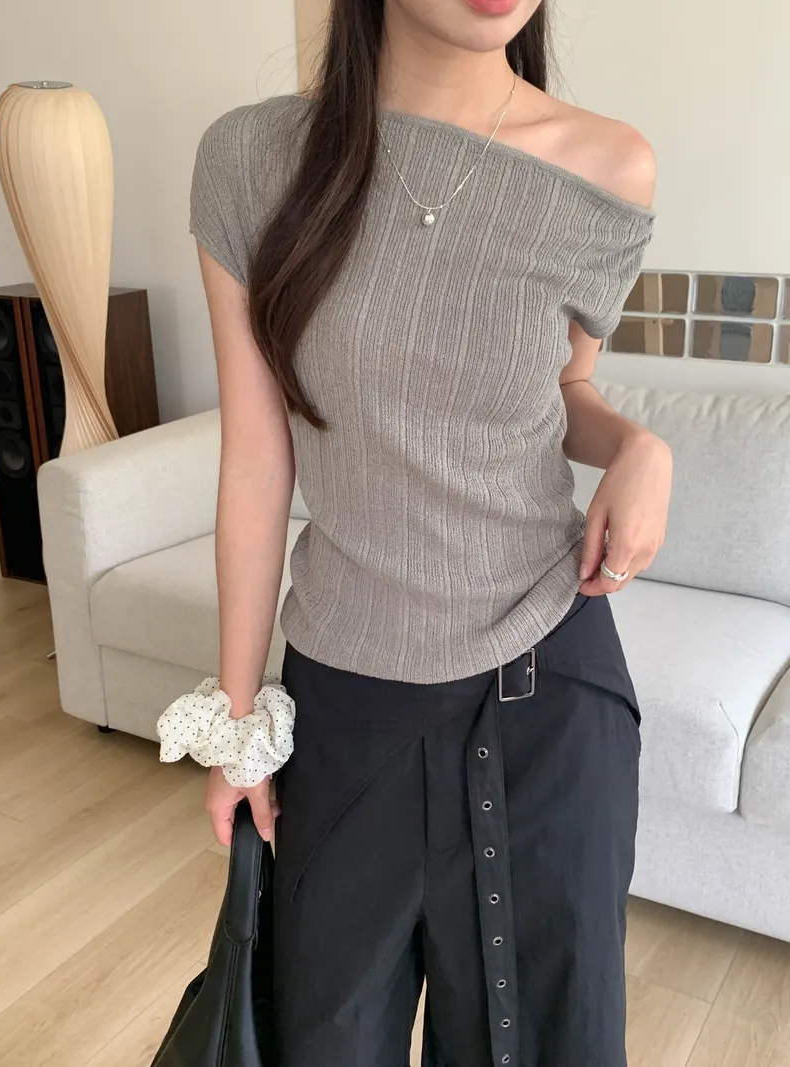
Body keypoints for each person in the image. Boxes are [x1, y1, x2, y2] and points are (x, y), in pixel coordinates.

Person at [187, 0, 672, 1063]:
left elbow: (564, 390)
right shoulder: (252, 161)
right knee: (322, 1038)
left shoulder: (607, 166)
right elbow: (257, 461)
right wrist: (237, 723)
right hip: (344, 703)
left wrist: (639, 446)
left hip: (549, 685)